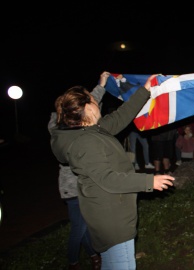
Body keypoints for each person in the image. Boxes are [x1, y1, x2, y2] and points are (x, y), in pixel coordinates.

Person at [50, 72, 175, 269]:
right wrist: (148, 182)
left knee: (111, 263)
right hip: (111, 219)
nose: (97, 101)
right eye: (93, 99)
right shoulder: (86, 142)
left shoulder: (91, 130)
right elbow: (107, 179)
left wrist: (145, 90)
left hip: (110, 211)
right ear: (86, 109)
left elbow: (121, 117)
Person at [48, 77, 105, 270]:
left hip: (81, 186)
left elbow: (90, 102)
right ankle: (73, 262)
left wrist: (102, 85)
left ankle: (93, 256)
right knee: (79, 228)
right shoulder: (59, 130)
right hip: (73, 188)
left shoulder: (71, 125)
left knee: (84, 226)